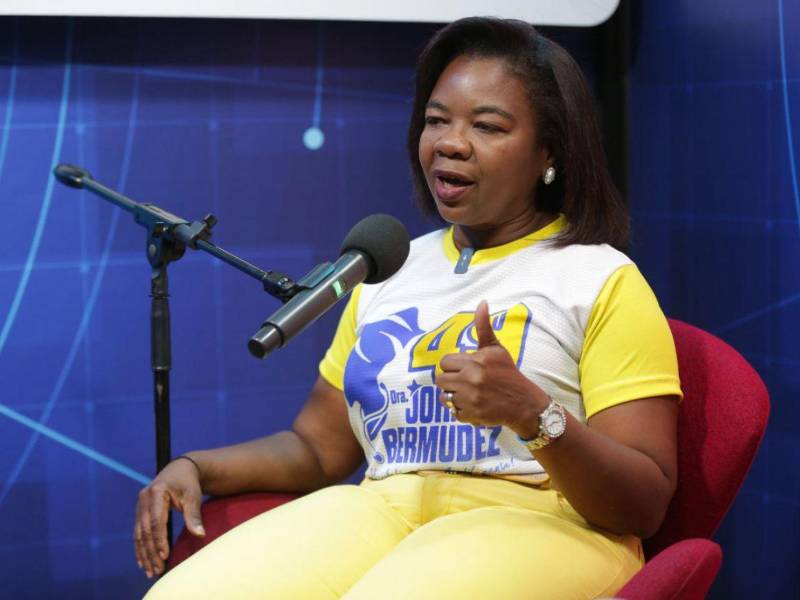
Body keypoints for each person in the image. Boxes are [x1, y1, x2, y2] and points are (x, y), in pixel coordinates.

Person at [136, 17, 682, 599]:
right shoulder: (388, 267)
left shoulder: (599, 278)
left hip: (541, 522)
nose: (449, 142)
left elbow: (644, 502)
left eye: (487, 126)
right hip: (385, 509)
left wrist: (531, 412)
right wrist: (198, 466)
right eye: (436, 120)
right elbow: (319, 448)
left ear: (549, 150)